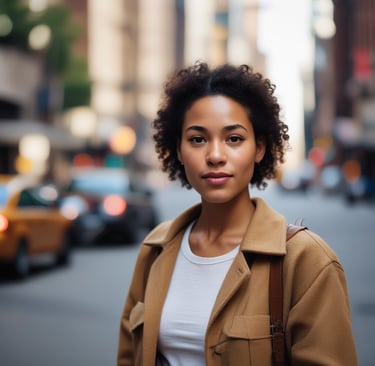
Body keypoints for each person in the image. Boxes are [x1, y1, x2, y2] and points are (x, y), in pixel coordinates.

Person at [117, 61, 358, 366]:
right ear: (178, 150)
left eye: (234, 139)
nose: (215, 156)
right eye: (197, 139)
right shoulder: (155, 249)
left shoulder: (307, 260)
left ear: (259, 148)